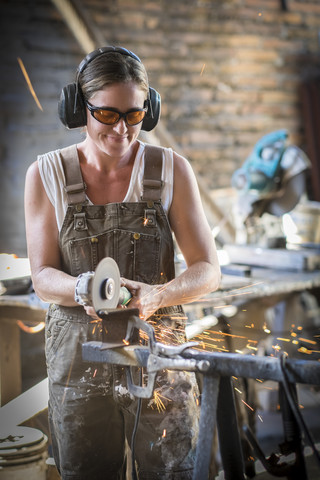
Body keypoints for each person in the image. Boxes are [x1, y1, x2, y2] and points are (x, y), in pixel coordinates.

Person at [24, 46, 221, 480]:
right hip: (78, 357)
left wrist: (161, 294)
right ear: (78, 107)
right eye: (107, 114)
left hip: (158, 349)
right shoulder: (47, 174)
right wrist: (83, 288)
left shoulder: (171, 170)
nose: (122, 129)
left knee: (172, 472)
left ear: (149, 111)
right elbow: (42, 278)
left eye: (134, 115)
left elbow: (208, 268)